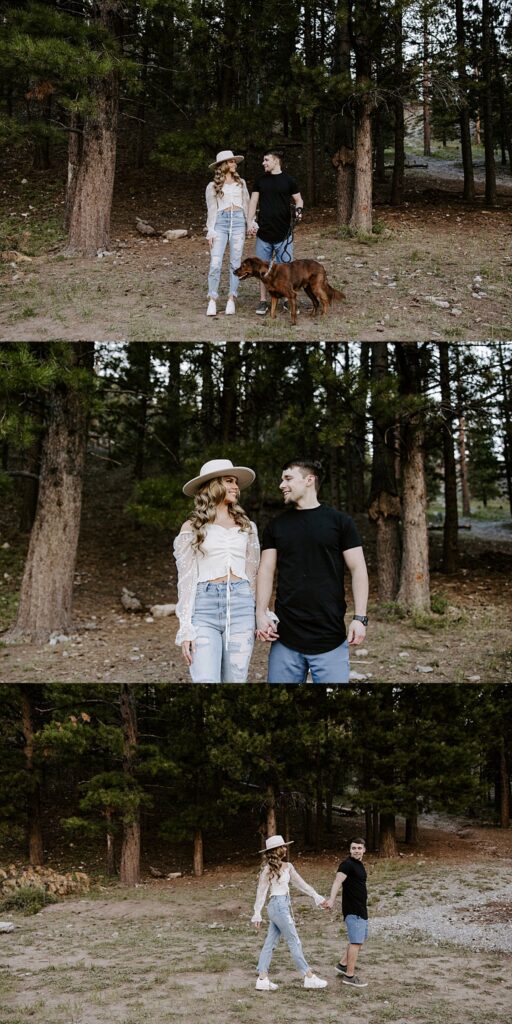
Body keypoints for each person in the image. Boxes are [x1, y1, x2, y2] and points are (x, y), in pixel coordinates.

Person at [256, 459, 369, 684]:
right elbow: (266, 569)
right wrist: (260, 614)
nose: (281, 485)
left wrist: (360, 618)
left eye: (288, 478)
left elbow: (358, 569)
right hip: (285, 638)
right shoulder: (276, 526)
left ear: (309, 480)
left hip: (330, 637)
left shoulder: (341, 522)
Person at [173, 458, 259, 682]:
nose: (235, 487)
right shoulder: (192, 527)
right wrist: (186, 627)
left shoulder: (247, 527)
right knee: (205, 679)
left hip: (241, 606)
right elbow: (186, 580)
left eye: (236, 483)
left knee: (236, 680)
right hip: (204, 608)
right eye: (229, 481)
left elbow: (253, 575)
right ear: (213, 486)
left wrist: (261, 612)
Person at [252, 834, 328, 991]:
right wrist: (257, 913)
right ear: (277, 850)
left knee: (270, 942)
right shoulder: (267, 870)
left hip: (281, 906)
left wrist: (316, 897)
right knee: (294, 940)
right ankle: (309, 976)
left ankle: (262, 978)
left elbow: (301, 884)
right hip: (278, 906)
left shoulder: (288, 867)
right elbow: (261, 892)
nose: (285, 849)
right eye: (283, 847)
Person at [247, 151, 304, 314]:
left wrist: (299, 210)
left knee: (286, 269)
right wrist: (250, 222)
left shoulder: (289, 180)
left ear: (276, 161)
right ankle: (263, 301)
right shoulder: (260, 181)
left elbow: (299, 199)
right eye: (263, 160)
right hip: (264, 233)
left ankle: (287, 300)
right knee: (261, 269)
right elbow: (253, 202)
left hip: (284, 234)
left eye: (266, 160)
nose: (263, 163)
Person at [205, 150, 250, 317]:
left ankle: (232, 298)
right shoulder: (213, 186)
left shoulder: (241, 183)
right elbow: (211, 210)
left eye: (234, 162)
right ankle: (212, 299)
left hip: (238, 222)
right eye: (231, 162)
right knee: (215, 262)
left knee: (235, 263)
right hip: (220, 223)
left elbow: (246, 204)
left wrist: (250, 222)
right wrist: (210, 230)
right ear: (223, 165)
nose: (234, 164)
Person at [324, 837, 369, 989]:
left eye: (359, 848)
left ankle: (343, 965)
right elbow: (337, 882)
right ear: (350, 850)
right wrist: (331, 899)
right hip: (353, 909)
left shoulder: (359, 864)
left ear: (364, 849)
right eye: (354, 848)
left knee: (359, 940)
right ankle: (349, 976)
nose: (356, 851)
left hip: (361, 909)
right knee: (356, 942)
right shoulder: (347, 864)